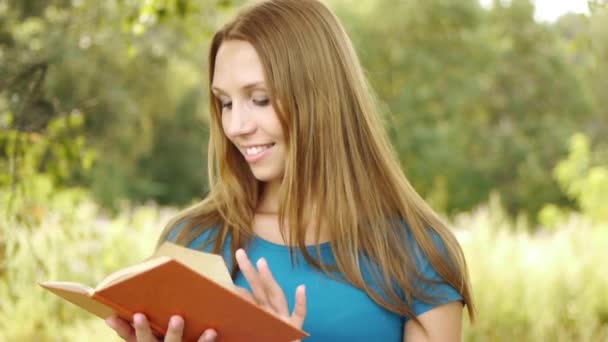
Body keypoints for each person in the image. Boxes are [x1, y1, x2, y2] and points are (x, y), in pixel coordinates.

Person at [105, 0, 475, 341]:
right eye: (225, 103)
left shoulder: (416, 252)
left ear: (322, 97)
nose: (235, 126)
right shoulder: (194, 240)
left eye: (260, 99)